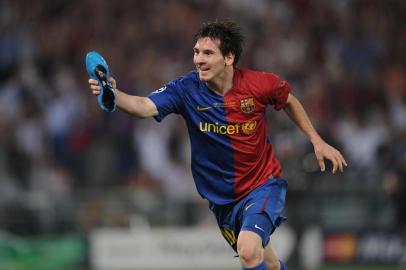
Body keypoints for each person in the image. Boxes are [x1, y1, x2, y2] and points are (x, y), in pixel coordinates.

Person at [88, 21, 347, 270]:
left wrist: (317, 141)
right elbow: (144, 107)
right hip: (222, 200)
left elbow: (289, 100)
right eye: (197, 52)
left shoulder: (259, 84)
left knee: (247, 249)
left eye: (208, 53)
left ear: (229, 57)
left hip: (262, 184)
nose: (199, 59)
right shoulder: (185, 89)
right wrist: (114, 94)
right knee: (267, 263)